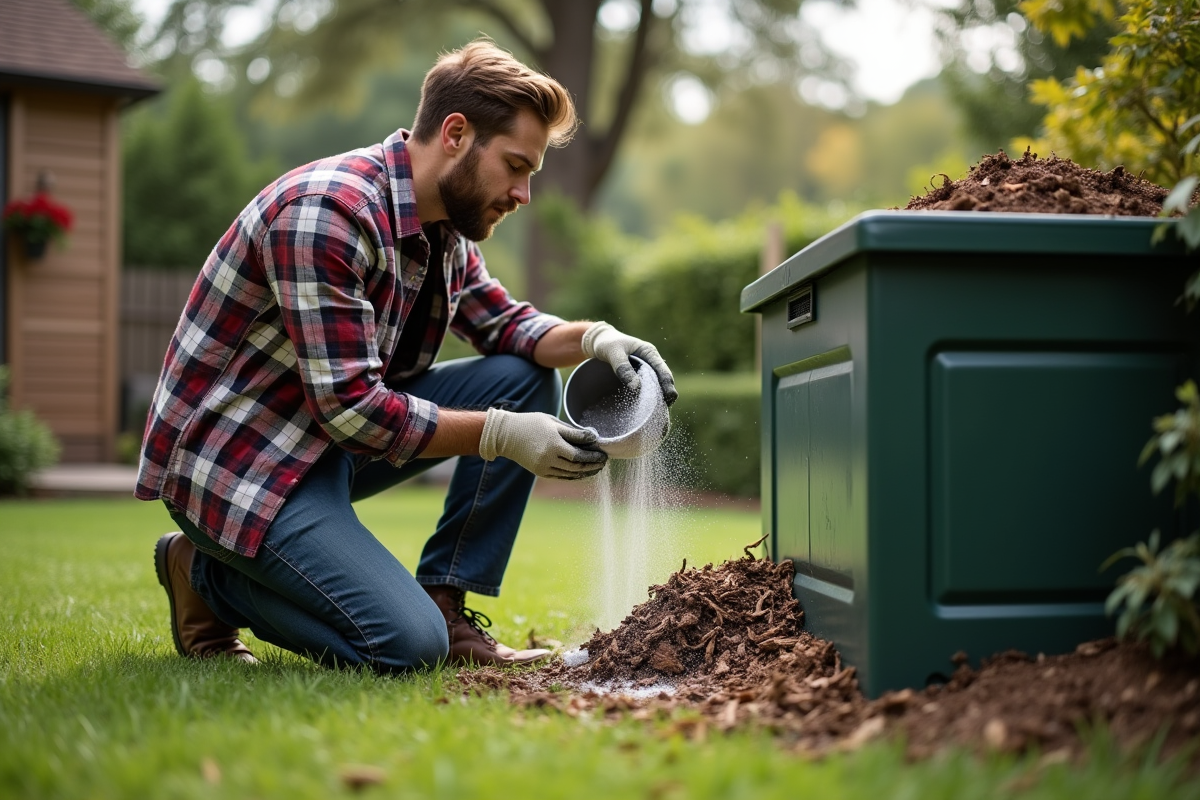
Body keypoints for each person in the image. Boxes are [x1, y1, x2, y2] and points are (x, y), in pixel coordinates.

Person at [136, 39, 677, 672]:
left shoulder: (443, 227)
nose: (523, 193)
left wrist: (596, 339)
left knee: (522, 376)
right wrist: (501, 435)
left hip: (320, 445)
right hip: (239, 467)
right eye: (515, 166)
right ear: (455, 134)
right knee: (407, 646)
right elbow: (352, 410)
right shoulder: (327, 214)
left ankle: (446, 602)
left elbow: (508, 326)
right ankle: (204, 576)